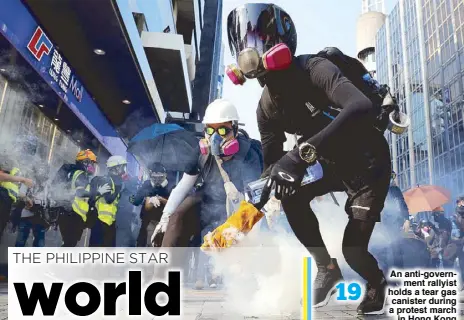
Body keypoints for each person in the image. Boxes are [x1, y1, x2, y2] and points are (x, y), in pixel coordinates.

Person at [226, 3, 393, 314]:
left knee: (353, 251)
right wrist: (242, 220)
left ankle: (376, 281)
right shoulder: (265, 109)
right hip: (330, 167)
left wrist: (302, 154)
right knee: (289, 193)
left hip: (369, 165)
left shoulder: (314, 68)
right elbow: (272, 169)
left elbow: (359, 106)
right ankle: (326, 268)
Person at [153, 99, 263, 289]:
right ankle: (160, 280)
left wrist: (244, 231)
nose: (215, 138)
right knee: (178, 215)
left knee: (241, 248)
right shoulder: (201, 154)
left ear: (235, 129)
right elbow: (183, 186)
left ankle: (250, 280)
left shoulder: (249, 152)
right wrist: (165, 218)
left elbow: (253, 198)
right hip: (208, 200)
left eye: (222, 130)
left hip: (237, 205)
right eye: (210, 130)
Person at [52, 149, 97, 247]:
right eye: (91, 163)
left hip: (65, 211)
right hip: (74, 215)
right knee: (69, 245)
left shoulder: (71, 172)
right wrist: (96, 192)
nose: (92, 167)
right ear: (85, 162)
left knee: (68, 244)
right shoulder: (81, 174)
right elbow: (80, 192)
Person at [88, 155, 126, 247]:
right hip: (100, 222)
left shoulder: (115, 180)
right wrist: (118, 188)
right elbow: (109, 199)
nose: (124, 169)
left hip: (109, 222)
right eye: (122, 166)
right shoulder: (107, 180)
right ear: (116, 167)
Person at [130, 163, 169, 247]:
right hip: (146, 221)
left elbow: (173, 204)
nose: (157, 180)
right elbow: (137, 201)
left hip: (161, 222)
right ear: (151, 176)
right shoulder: (147, 184)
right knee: (142, 244)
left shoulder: (170, 186)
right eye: (155, 178)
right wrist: (134, 199)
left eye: (160, 177)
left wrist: (161, 199)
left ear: (165, 175)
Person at [14, 163, 51, 247]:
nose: (43, 174)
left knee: (39, 244)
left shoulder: (47, 185)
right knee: (21, 241)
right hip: (26, 215)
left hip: (40, 217)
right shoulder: (29, 181)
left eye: (45, 171)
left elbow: (48, 200)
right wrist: (28, 199)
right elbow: (20, 194)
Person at [0, 157, 34, 238]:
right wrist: (23, 179)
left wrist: (26, 198)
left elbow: (11, 188)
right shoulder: (8, 159)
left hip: (6, 202)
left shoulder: (17, 165)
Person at [115, 176, 141, 247]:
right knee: (123, 242)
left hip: (122, 222)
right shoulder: (131, 192)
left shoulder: (123, 191)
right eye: (136, 185)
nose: (136, 187)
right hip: (123, 223)